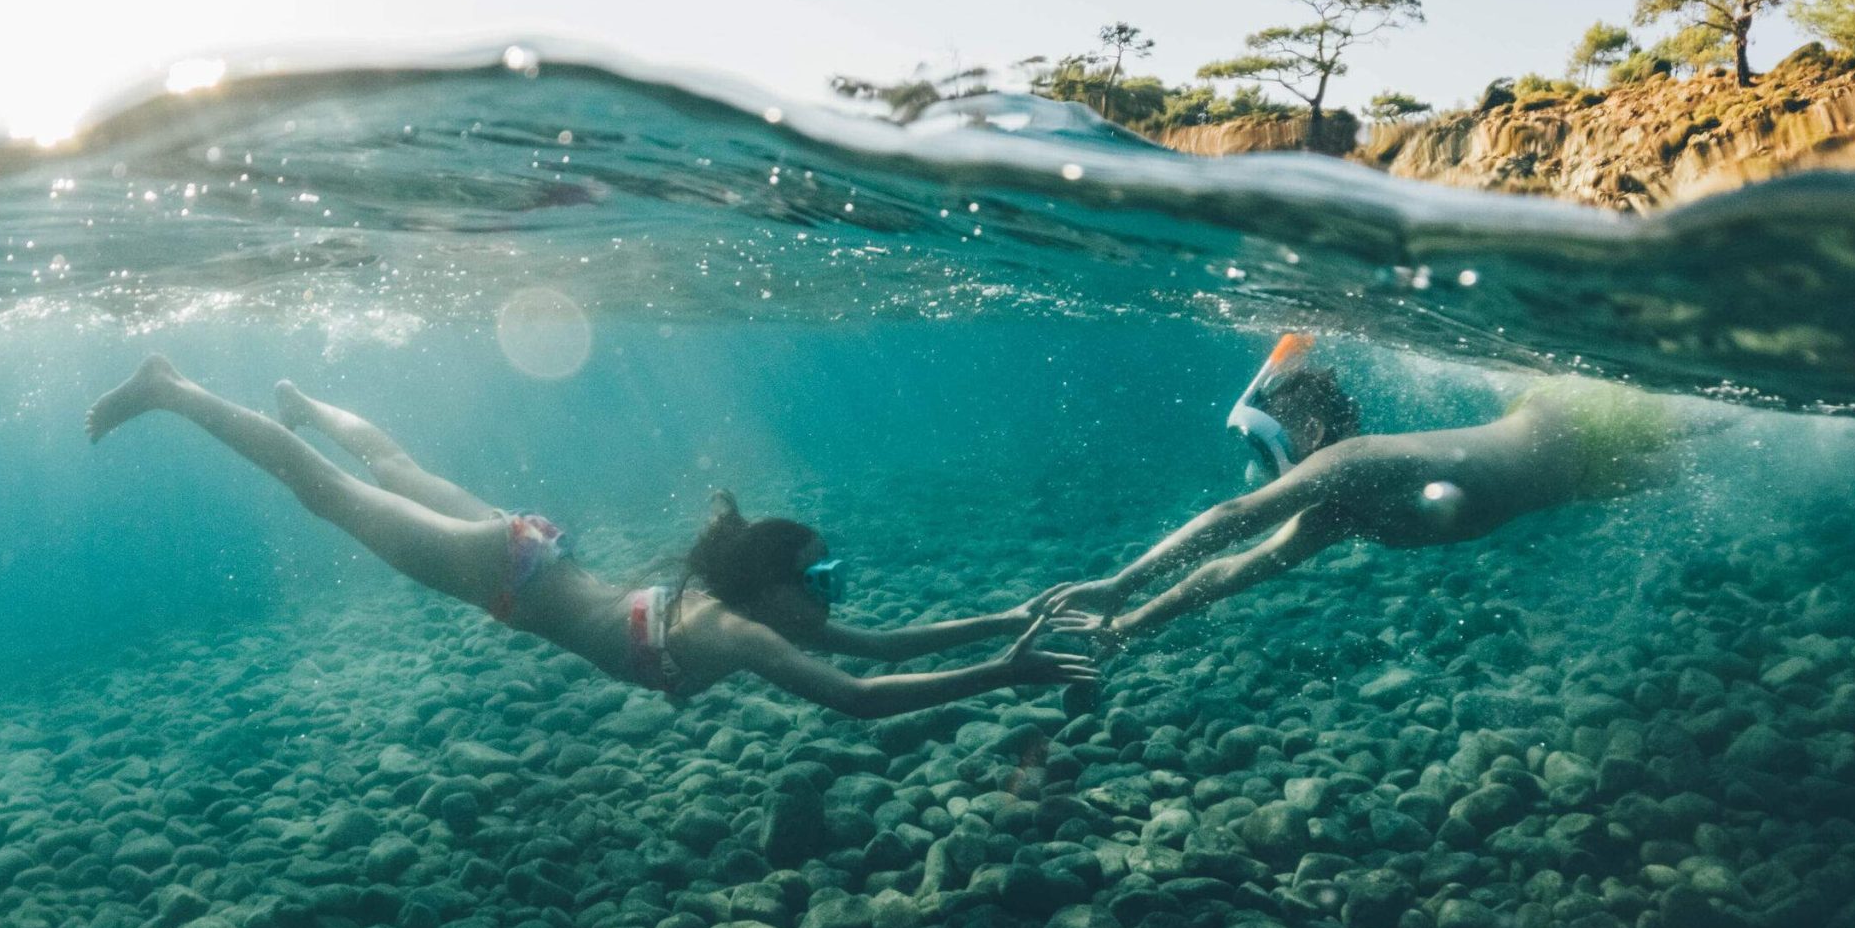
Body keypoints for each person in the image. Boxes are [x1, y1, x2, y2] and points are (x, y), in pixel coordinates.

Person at [86, 355, 1095, 717]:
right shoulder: (742, 634)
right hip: (511, 573)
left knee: (389, 469)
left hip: (530, 555)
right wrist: (1003, 673)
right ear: (768, 587)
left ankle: (306, 398)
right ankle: (172, 388)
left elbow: (877, 650)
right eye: (818, 576)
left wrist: (1013, 619)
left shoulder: (750, 614)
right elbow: (866, 697)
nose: (830, 594)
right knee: (330, 496)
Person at [1057, 334, 1683, 640]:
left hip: (1577, 420)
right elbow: (1236, 570)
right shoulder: (1340, 509)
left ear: (1313, 427)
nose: (1261, 462)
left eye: (1265, 439)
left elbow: (1235, 515)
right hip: (1587, 477)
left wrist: (1119, 585)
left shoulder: (1355, 461)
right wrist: (1128, 627)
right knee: (1691, 453)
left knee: (1707, 422)